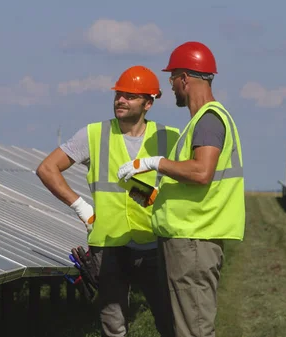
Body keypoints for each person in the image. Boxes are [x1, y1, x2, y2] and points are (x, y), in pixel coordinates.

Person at [36, 65, 180, 337]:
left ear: (148, 103)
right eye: (118, 94)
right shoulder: (93, 134)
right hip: (108, 245)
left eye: (130, 96)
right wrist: (82, 209)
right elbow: (47, 169)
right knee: (113, 327)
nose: (121, 100)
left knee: (170, 322)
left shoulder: (170, 137)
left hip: (155, 242)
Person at [117, 41, 246, 337]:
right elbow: (183, 192)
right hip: (187, 239)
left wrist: (155, 162)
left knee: (194, 330)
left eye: (172, 78)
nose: (171, 86)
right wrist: (140, 191)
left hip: (194, 243)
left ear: (185, 78)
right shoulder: (199, 123)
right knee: (184, 328)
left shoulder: (208, 121)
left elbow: (201, 172)